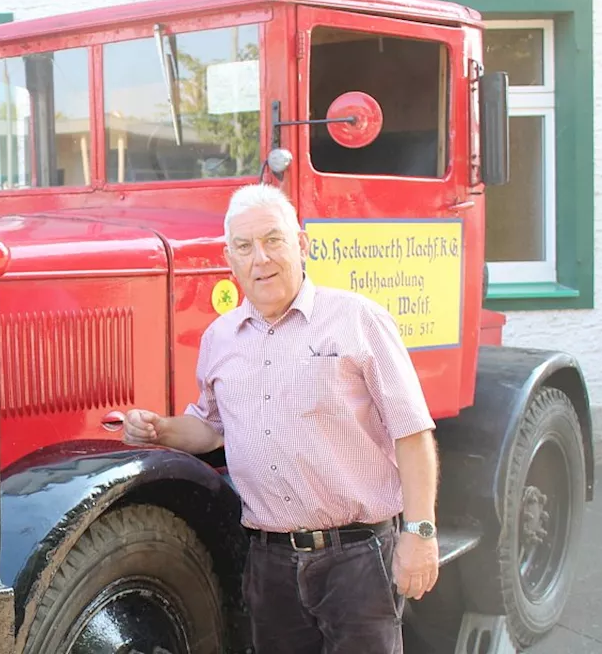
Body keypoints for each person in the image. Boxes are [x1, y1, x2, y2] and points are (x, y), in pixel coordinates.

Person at [123, 183, 439, 653]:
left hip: (356, 558)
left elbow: (412, 434)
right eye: (245, 247)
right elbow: (212, 429)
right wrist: (161, 428)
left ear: (302, 245)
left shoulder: (357, 319)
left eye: (274, 240)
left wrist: (420, 535)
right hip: (269, 564)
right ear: (229, 258)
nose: (260, 259)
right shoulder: (219, 338)